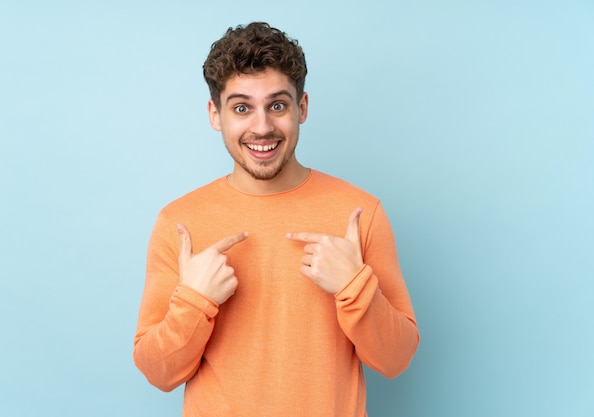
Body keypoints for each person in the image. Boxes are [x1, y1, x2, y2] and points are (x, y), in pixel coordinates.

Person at [133, 21, 419, 417]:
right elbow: (158, 372)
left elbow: (396, 359)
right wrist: (194, 302)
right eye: (241, 108)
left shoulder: (360, 213)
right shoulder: (179, 222)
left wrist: (355, 287)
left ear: (301, 108)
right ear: (215, 114)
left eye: (278, 105)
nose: (262, 126)